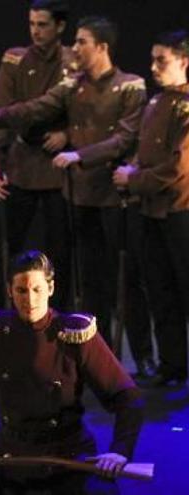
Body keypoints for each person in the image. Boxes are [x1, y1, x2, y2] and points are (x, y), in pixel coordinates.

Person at [0, 17, 152, 365]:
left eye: (83, 42)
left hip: (116, 196)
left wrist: (78, 154)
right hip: (83, 195)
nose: (77, 48)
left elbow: (125, 138)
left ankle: (143, 355)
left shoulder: (131, 85)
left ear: (101, 47)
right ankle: (94, 350)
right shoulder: (74, 85)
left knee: (127, 279)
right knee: (90, 280)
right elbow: (37, 107)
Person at [0, 250, 143, 494]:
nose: (29, 300)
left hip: (67, 460)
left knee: (101, 492)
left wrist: (120, 451)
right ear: (10, 290)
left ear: (50, 289)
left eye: (37, 290)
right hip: (10, 458)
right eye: (21, 290)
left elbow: (128, 397)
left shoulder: (73, 334)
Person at [0, 0, 75, 310]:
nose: (36, 31)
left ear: (60, 26)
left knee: (60, 249)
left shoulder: (72, 61)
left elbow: (84, 112)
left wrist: (68, 135)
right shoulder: (15, 59)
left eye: (43, 24)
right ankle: (1, 314)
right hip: (20, 164)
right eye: (32, 24)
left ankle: (57, 314)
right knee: (3, 245)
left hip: (58, 167)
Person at [113, 30, 189, 387]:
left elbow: (177, 169)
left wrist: (134, 180)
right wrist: (129, 169)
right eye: (153, 59)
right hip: (151, 212)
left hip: (181, 213)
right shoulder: (157, 104)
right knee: (160, 292)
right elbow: (143, 155)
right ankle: (173, 366)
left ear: (184, 62)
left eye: (163, 60)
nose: (154, 67)